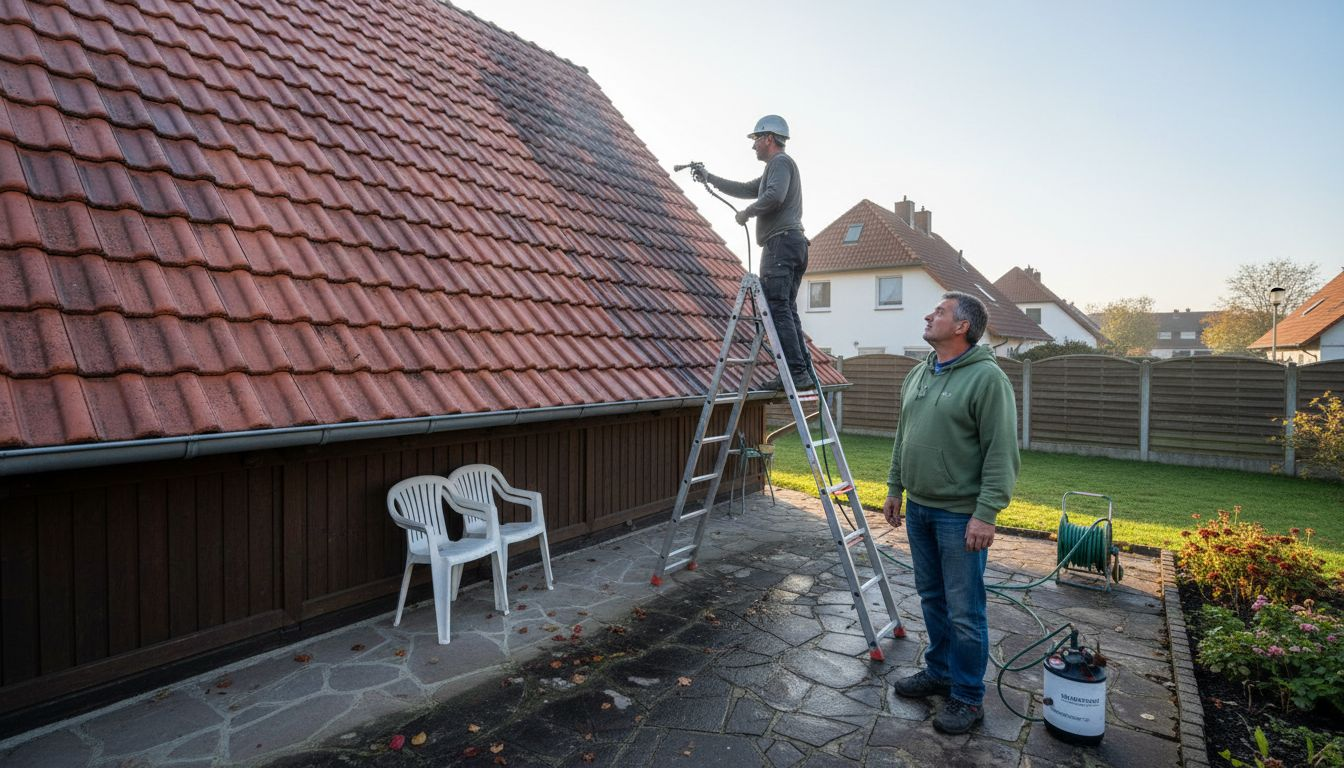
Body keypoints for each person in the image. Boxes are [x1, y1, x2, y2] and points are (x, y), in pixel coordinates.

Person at [882, 291, 1020, 735]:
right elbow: (903, 436)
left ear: (962, 327)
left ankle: (967, 696)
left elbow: (1002, 453)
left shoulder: (987, 380)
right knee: (932, 599)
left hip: (960, 516)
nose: (928, 314)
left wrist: (986, 513)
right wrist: (895, 488)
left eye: (939, 311)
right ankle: (938, 671)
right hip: (920, 508)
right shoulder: (919, 372)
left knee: (965, 610)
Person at [693, 115, 812, 391]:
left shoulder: (780, 163)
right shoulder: (776, 168)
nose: (753, 146)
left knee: (777, 308)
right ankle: (801, 368)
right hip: (793, 244)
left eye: (756, 139)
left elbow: (774, 197)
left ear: (769, 138)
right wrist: (709, 178)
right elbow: (748, 189)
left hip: (780, 246)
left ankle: (796, 373)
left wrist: (748, 213)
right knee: (786, 309)